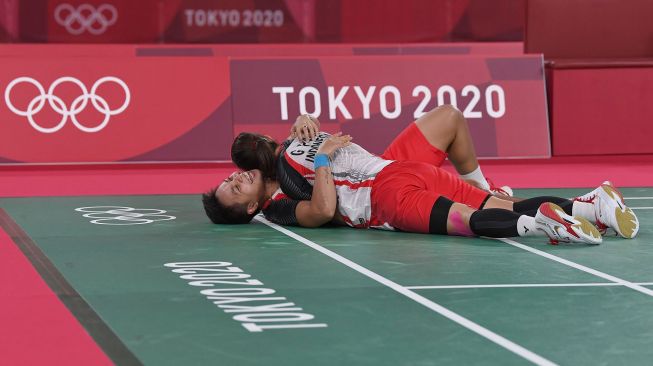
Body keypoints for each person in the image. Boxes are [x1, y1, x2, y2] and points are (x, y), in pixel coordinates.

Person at [203, 128, 640, 245]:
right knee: (499, 201)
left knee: (474, 219)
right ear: (246, 211)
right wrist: (319, 153)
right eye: (234, 188)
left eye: (230, 176)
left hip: (392, 191)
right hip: (401, 177)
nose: (236, 178)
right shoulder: (275, 205)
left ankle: (546, 223)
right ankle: (591, 208)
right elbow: (317, 210)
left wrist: (317, 153)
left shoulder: (290, 157)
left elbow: (321, 209)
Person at [231, 105, 513, 196]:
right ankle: (480, 191)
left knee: (449, 116)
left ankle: (481, 186)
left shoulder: (297, 136)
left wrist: (303, 117)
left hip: (384, 164)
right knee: (450, 118)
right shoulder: (281, 195)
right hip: (377, 190)